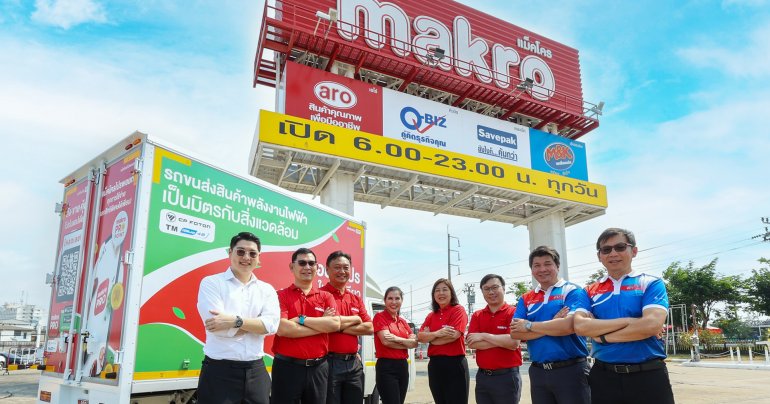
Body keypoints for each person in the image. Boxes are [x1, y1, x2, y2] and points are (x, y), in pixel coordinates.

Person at [573, 228, 675, 404]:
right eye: (606, 249)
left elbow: (651, 325)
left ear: (634, 251)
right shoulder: (588, 291)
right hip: (603, 377)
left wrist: (601, 336)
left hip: (648, 375)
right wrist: (631, 321)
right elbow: (581, 326)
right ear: (599, 256)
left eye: (620, 247)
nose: (613, 253)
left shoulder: (650, 283)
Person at [196, 231, 280, 404]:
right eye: (240, 251)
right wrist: (256, 326)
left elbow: (271, 326)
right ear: (230, 253)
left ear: (258, 257)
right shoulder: (211, 283)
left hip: (256, 371)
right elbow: (217, 327)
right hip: (219, 372)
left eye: (252, 253)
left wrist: (235, 321)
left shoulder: (267, 290)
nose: (246, 257)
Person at [510, 246, 591, 404]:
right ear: (532, 269)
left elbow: (568, 327)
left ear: (557, 266)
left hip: (571, 371)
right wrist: (554, 322)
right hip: (538, 372)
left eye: (547, 264)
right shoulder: (526, 298)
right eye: (537, 265)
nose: (542, 269)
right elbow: (515, 333)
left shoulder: (573, 291)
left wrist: (528, 325)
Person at [271, 248, 341, 403]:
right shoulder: (280, 295)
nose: (307, 267)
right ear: (292, 267)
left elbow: (334, 325)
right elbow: (283, 329)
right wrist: (321, 324)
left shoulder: (326, 296)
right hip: (287, 368)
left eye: (311, 263)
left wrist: (300, 319)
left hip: (319, 368)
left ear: (317, 267)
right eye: (302, 263)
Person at [321, 251, 373, 404]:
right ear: (327, 269)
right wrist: (355, 321)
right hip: (329, 362)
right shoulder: (320, 295)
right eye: (337, 267)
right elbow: (321, 326)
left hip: (353, 364)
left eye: (346, 267)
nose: (342, 271)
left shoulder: (355, 298)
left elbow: (370, 327)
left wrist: (337, 326)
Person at [466, 274, 523, 404]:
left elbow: (514, 342)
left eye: (495, 287)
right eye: (486, 289)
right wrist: (503, 341)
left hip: (507, 377)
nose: (491, 292)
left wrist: (483, 336)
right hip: (483, 377)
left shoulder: (514, 312)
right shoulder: (477, 315)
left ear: (503, 288)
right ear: (482, 292)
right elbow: (472, 343)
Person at [417, 278, 469, 404]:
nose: (441, 293)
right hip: (435, 365)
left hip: (455, 364)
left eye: (445, 290)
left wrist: (431, 339)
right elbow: (420, 337)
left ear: (451, 293)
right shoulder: (431, 315)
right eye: (437, 290)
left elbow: (454, 335)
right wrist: (437, 333)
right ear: (433, 295)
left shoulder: (458, 310)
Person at [373, 286, 418, 404]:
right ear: (385, 300)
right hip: (386, 367)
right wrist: (406, 343)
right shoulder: (379, 317)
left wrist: (396, 339)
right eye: (390, 298)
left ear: (402, 301)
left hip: (402, 366)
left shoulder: (403, 321)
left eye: (397, 298)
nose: (394, 302)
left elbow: (414, 343)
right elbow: (386, 341)